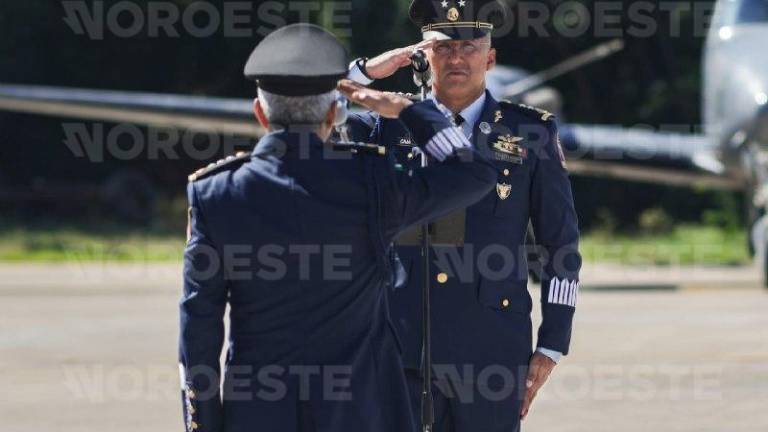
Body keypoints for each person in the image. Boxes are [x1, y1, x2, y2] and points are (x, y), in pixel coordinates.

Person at [178, 23, 497, 432]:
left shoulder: (215, 193)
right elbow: (474, 174)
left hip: (258, 416)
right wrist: (410, 112)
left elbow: (199, 329)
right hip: (358, 414)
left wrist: (204, 426)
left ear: (259, 113)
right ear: (334, 113)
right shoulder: (372, 182)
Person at [345, 1, 582, 430]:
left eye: (469, 47)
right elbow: (305, 116)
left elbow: (560, 243)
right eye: (443, 48)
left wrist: (552, 343)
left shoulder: (529, 132)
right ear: (422, 56)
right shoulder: (383, 126)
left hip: (491, 353)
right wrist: (364, 72)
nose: (456, 58)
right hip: (400, 347)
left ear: (490, 58)